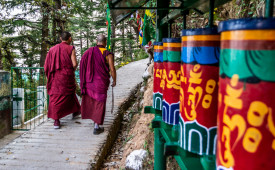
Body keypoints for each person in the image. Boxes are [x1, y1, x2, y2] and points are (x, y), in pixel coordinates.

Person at [80, 34, 116, 135]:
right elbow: (112, 69)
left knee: (93, 101)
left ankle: (95, 121)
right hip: (101, 82)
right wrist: (114, 80)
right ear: (105, 43)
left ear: (97, 42)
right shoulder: (108, 54)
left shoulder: (88, 52)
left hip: (89, 81)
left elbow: (82, 64)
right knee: (100, 102)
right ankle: (96, 126)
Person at [44, 31, 80, 129]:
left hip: (55, 77)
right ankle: (75, 111)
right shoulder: (71, 48)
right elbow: (74, 64)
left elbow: (46, 66)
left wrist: (49, 75)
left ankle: (57, 121)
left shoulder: (52, 49)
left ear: (60, 38)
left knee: (56, 97)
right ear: (70, 39)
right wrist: (71, 71)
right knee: (69, 92)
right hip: (67, 76)